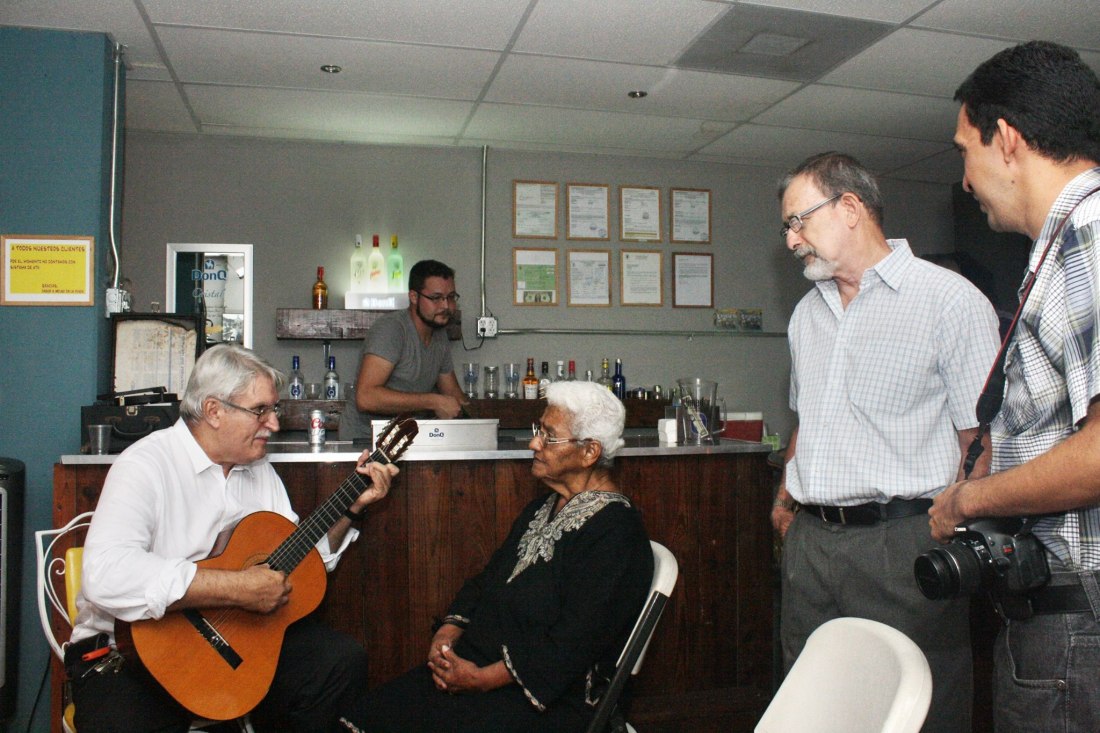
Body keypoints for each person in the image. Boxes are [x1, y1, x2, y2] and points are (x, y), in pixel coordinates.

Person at [770, 152, 1000, 732]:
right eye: (787, 227)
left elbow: (980, 440)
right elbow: (808, 418)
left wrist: (953, 529)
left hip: (904, 542)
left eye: (798, 221)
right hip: (811, 545)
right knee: (812, 705)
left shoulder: (949, 300)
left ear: (849, 207)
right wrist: (785, 500)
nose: (791, 239)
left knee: (917, 704)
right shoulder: (806, 315)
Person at [66, 344, 399, 733]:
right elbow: (106, 575)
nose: (273, 424)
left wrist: (351, 509)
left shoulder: (259, 471)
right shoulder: (145, 465)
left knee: (339, 661)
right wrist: (236, 588)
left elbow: (300, 564)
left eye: (274, 409)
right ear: (214, 411)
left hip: (233, 643)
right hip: (126, 656)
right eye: (260, 410)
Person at [929, 41, 1100, 731]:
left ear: (1005, 140)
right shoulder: (1062, 244)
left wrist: (969, 499)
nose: (965, 180)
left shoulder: (1088, 235)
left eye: (964, 151)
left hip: (1077, 624)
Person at [336, 381, 653, 733]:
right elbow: (489, 580)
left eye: (549, 436)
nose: (534, 443)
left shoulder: (617, 533)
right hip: (481, 665)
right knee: (365, 717)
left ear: (590, 451)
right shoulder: (543, 507)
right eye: (538, 430)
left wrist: (481, 679)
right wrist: (447, 633)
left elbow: (572, 644)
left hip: (550, 697)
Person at [340, 259, 469, 441]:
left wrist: (485, 420)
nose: (445, 306)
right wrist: (433, 401)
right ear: (414, 297)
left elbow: (453, 396)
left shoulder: (439, 335)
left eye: (451, 297)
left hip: (404, 440)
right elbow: (366, 397)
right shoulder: (392, 329)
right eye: (436, 298)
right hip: (365, 441)